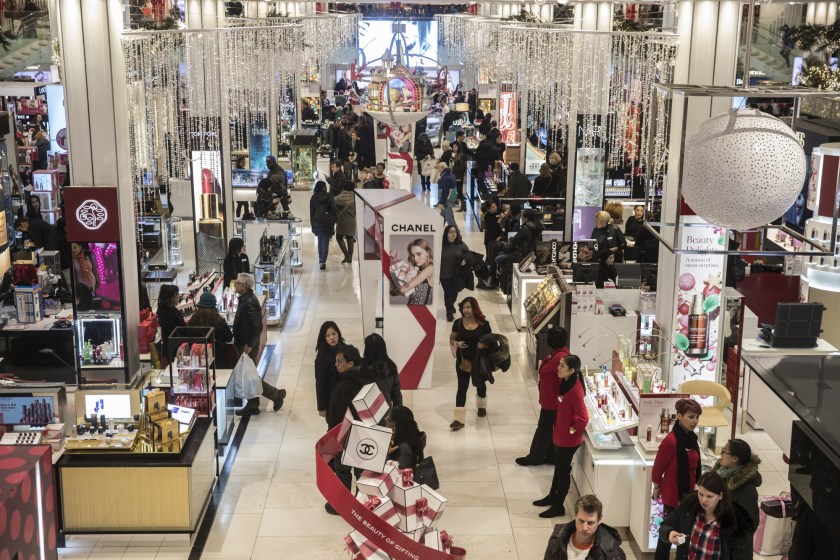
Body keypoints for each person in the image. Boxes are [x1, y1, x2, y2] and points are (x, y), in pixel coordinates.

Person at [326, 344, 388, 512]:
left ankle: (342, 505)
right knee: (363, 472)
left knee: (343, 470)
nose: (336, 365)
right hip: (370, 435)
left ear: (350, 364)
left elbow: (336, 418)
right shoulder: (373, 378)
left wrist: (331, 440)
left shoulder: (343, 386)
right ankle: (364, 506)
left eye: (339, 361)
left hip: (347, 437)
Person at [535, 354, 588, 518]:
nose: (558, 368)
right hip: (559, 435)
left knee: (563, 471)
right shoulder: (565, 382)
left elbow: (584, 418)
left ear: (572, 370)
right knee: (558, 468)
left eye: (562, 366)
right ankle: (552, 496)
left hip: (568, 440)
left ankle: (558, 505)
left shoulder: (575, 391)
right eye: (560, 365)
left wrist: (572, 429)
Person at [652, 398, 703, 560]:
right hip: (673, 494)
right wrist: (657, 486)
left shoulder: (691, 438)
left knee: (681, 531)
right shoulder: (671, 441)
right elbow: (658, 467)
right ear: (679, 416)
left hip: (688, 493)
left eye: (696, 417)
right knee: (668, 531)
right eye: (690, 417)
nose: (694, 421)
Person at [660, 472, 751, 560]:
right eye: (701, 494)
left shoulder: (735, 521)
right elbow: (665, 526)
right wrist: (670, 533)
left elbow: (742, 555)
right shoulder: (688, 506)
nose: (703, 500)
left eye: (709, 496)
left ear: (721, 496)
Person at [232, 273, 286, 415]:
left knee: (250, 376)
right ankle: (253, 404)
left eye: (237, 283)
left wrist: (249, 344)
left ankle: (276, 395)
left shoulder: (249, 302)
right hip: (243, 342)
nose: (234, 284)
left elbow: (257, 326)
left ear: (243, 286)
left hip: (246, 344)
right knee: (249, 375)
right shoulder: (245, 299)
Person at [517, 327, 569, 467]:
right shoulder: (555, 355)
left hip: (553, 402)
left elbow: (564, 382)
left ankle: (535, 458)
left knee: (543, 430)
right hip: (550, 400)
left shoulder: (560, 358)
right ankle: (551, 456)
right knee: (550, 429)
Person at [712, 439, 761, 560]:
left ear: (735, 459)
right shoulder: (720, 476)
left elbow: (750, 525)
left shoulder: (747, 490)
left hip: (734, 551)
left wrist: (728, 535)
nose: (721, 454)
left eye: (724, 451)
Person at [449, 296, 492, 430]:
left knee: (480, 384)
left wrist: (482, 345)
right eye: (464, 307)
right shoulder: (458, 323)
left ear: (474, 308)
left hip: (479, 362)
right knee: (462, 388)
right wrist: (456, 343)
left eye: (469, 307)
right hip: (463, 361)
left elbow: (491, 341)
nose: (466, 310)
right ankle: (458, 419)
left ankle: (481, 406)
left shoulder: (484, 324)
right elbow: (451, 339)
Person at [543, 494, 627, 560]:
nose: (584, 528)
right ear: (575, 515)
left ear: (600, 520)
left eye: (590, 523)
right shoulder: (557, 539)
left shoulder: (611, 552)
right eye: (581, 521)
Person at [187, 292, 234, 369]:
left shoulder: (192, 321)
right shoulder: (219, 320)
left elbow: (189, 339)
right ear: (213, 306)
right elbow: (229, 338)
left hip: (198, 356)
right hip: (218, 357)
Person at [362, 333, 403, 408]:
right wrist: (398, 413)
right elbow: (396, 393)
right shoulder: (391, 366)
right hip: (387, 410)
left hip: (366, 410)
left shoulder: (362, 368)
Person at [389, 239, 434, 305]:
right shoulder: (417, 269)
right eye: (413, 255)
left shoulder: (431, 268)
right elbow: (399, 285)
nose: (415, 258)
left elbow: (402, 290)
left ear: (428, 252)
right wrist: (392, 261)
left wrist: (394, 292)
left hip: (423, 312)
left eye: (418, 254)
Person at [315, 321, 344, 420]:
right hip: (331, 399)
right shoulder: (322, 357)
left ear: (338, 334)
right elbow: (320, 383)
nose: (332, 338)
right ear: (323, 338)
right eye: (328, 335)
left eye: (334, 334)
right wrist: (322, 407)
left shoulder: (345, 349)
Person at [440, 225, 469, 322]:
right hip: (444, 274)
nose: (453, 234)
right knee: (448, 293)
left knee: (455, 293)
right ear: (446, 233)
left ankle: (451, 305)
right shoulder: (440, 245)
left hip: (456, 274)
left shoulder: (460, 244)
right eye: (451, 232)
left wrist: (464, 261)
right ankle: (449, 311)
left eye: (455, 232)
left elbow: (468, 255)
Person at [387, 405, 426, 470]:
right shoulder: (414, 435)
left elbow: (400, 469)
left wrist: (386, 455)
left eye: (388, 419)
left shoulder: (404, 446)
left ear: (396, 423)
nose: (385, 419)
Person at [310, 180, 337, 271]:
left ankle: (320, 260)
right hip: (327, 222)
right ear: (323, 187)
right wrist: (335, 219)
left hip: (317, 221)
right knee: (325, 242)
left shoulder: (313, 197)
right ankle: (323, 263)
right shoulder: (328, 196)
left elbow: (311, 212)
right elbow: (334, 209)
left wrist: (312, 225)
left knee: (320, 241)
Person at [156, 284, 185, 364]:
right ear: (171, 297)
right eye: (177, 294)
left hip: (177, 346)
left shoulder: (172, 309)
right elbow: (173, 330)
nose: (179, 296)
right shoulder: (164, 313)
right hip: (173, 349)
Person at [71, 242, 100, 310]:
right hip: (81, 289)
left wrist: (97, 281)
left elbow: (94, 269)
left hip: (91, 286)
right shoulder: (71, 259)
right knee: (84, 307)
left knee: (92, 307)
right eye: (71, 248)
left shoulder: (87, 255)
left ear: (80, 247)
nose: (73, 249)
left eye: (75, 247)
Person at [333, 182, 357, 264]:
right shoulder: (356, 197)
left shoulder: (340, 197)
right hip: (352, 220)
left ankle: (347, 255)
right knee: (350, 237)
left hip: (342, 220)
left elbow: (332, 201)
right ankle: (349, 257)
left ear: (344, 188)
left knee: (339, 237)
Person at [436, 162, 457, 227]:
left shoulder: (445, 177)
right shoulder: (450, 174)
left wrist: (442, 202)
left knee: (450, 221)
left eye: (438, 167)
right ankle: (438, 231)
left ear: (442, 167)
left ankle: (457, 235)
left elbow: (445, 191)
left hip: (446, 201)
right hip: (449, 199)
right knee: (441, 219)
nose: (438, 169)